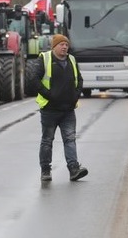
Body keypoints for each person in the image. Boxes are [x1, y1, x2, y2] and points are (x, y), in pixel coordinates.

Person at [35, 34, 88, 182]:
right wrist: (49, 95)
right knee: (47, 140)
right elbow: (33, 78)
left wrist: (75, 96)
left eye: (66, 44)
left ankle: (74, 169)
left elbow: (80, 79)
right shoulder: (44, 59)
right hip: (50, 110)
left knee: (70, 139)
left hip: (68, 110)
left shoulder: (71, 59)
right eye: (61, 44)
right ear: (54, 46)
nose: (64, 47)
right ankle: (45, 171)